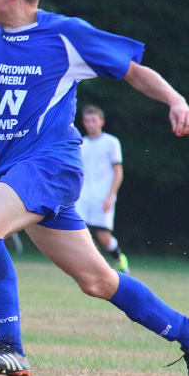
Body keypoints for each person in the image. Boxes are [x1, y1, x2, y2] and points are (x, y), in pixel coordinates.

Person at [0, 0, 189, 376]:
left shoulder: (64, 34)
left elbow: (133, 72)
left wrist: (176, 101)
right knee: (97, 280)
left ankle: (10, 345)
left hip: (51, 164)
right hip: (20, 170)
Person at [76, 105, 129, 274]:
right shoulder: (80, 144)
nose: (90, 124)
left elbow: (118, 171)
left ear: (101, 122)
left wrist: (110, 195)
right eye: (87, 121)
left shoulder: (111, 143)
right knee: (80, 234)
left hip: (103, 196)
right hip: (83, 196)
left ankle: (119, 259)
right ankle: (86, 269)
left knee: (103, 237)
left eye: (94, 120)